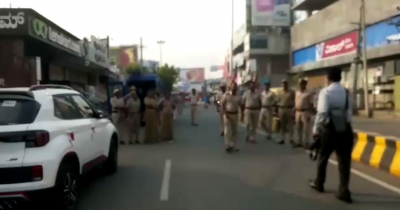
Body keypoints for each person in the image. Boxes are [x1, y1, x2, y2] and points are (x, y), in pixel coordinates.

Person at [309, 67, 353, 203]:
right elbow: (349, 113)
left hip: (330, 130)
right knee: (344, 162)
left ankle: (319, 183)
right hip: (345, 130)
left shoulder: (325, 92)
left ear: (328, 78)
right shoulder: (346, 92)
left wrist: (316, 129)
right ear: (340, 77)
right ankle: (344, 190)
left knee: (323, 157)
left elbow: (322, 113)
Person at [221, 81, 241, 152]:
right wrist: (225, 113)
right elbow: (222, 104)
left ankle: (233, 145)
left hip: (235, 114)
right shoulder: (226, 95)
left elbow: (241, 105)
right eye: (233, 86)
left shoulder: (238, 96)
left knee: (235, 131)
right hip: (227, 114)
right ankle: (227, 145)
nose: (234, 88)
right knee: (227, 131)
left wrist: (242, 114)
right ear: (230, 87)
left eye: (235, 86)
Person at [294, 79, 314, 148]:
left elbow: (311, 104)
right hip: (297, 111)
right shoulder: (297, 92)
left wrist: (310, 113)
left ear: (305, 84)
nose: (301, 85)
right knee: (298, 128)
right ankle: (299, 141)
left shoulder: (308, 93)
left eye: (302, 84)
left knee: (306, 128)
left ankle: (306, 142)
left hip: (305, 112)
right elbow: (295, 102)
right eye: (300, 84)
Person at [277, 79, 295, 145]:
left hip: (289, 109)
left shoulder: (291, 92)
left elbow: (294, 100)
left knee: (291, 124)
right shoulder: (279, 92)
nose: (284, 84)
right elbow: (278, 101)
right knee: (282, 125)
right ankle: (282, 138)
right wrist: (277, 111)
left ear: (287, 84)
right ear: (282, 84)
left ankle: (291, 138)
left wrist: (293, 110)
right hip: (281, 109)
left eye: (285, 83)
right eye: (283, 83)